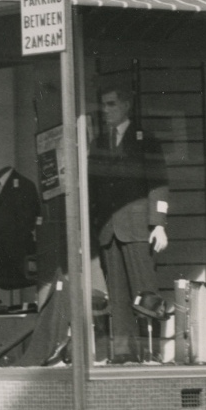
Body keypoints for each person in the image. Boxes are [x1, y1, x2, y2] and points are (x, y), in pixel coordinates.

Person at [89, 86, 169, 363]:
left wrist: (158, 223)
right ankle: (123, 351)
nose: (106, 110)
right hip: (109, 231)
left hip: (136, 228)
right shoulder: (99, 142)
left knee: (145, 291)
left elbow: (158, 183)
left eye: (111, 104)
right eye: (104, 105)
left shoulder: (146, 140)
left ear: (125, 106)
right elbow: (94, 188)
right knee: (118, 296)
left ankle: (152, 349)